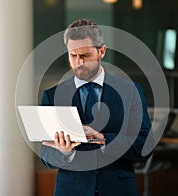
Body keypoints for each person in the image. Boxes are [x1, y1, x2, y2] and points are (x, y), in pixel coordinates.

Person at [41, 19, 154, 196]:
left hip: (118, 189)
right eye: (72, 55)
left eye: (85, 55)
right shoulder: (51, 96)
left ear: (101, 51)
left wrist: (104, 139)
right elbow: (46, 155)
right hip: (71, 190)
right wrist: (64, 152)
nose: (78, 62)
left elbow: (146, 146)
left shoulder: (130, 91)